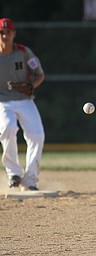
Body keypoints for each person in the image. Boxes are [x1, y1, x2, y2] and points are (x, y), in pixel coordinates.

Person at [0, 18, 45, 191]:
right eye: (1, 33)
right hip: (2, 101)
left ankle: (30, 180)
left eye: (8, 32)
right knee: (8, 128)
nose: (5, 35)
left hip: (25, 100)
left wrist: (31, 86)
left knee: (37, 135)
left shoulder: (23, 53)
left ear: (13, 34)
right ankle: (14, 173)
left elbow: (39, 74)